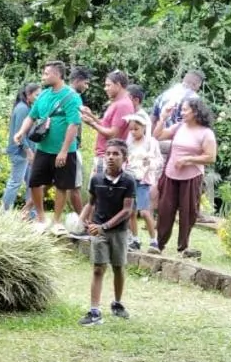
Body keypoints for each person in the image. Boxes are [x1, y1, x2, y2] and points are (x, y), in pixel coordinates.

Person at [15, 60, 82, 234]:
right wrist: (21, 132)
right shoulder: (43, 95)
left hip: (64, 151)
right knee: (35, 182)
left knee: (62, 185)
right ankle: (40, 218)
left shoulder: (71, 96)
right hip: (43, 149)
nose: (43, 76)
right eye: (43, 73)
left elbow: (73, 124)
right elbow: (31, 116)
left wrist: (64, 150)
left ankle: (57, 221)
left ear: (58, 75)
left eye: (47, 73)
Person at [79, 139, 136, 326]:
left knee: (118, 267)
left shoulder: (128, 181)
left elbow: (127, 210)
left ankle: (117, 304)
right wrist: (81, 221)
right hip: (98, 230)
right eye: (108, 154)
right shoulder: (96, 179)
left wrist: (105, 226)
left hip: (118, 231)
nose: (111, 157)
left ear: (124, 158)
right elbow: (91, 202)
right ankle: (94, 311)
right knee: (98, 268)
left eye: (116, 154)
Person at [155, 97, 218, 258]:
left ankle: (183, 247)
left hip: (192, 176)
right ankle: (159, 244)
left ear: (195, 111)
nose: (182, 112)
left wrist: (189, 160)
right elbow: (158, 136)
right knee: (164, 209)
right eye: (181, 109)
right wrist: (163, 118)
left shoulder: (206, 133)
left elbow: (210, 157)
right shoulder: (179, 127)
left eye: (185, 110)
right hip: (171, 174)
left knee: (188, 212)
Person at [124, 111, 163, 251]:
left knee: (144, 211)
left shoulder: (151, 143)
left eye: (136, 129)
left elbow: (158, 161)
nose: (133, 132)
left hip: (143, 180)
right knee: (131, 212)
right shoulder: (129, 144)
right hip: (130, 179)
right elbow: (125, 160)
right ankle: (135, 240)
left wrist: (148, 164)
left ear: (144, 128)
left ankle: (154, 241)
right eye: (131, 129)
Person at [4, 83, 40, 213]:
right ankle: (5, 212)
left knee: (32, 183)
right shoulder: (22, 109)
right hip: (20, 152)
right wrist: (29, 151)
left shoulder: (28, 108)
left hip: (27, 152)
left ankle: (31, 214)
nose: (39, 98)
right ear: (28, 95)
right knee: (15, 182)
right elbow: (20, 134)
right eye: (37, 95)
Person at [68, 66, 95, 212]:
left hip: (58, 146)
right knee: (75, 186)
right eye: (86, 83)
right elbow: (76, 122)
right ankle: (82, 221)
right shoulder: (75, 98)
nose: (87, 86)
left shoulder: (61, 93)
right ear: (78, 81)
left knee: (49, 183)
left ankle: (27, 211)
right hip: (71, 147)